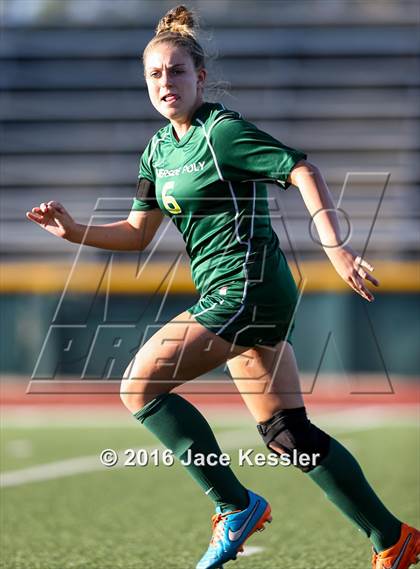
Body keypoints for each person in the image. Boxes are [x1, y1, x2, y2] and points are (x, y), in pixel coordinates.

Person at [26, 5, 419, 569]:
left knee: (138, 389)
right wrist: (73, 231)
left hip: (248, 289)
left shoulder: (222, 131)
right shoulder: (158, 150)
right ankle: (393, 538)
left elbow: (300, 169)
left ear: (200, 78)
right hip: (237, 293)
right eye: (156, 75)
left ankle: (233, 505)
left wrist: (336, 248)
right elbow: (138, 234)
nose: (167, 82)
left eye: (177, 71)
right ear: (145, 84)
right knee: (287, 433)